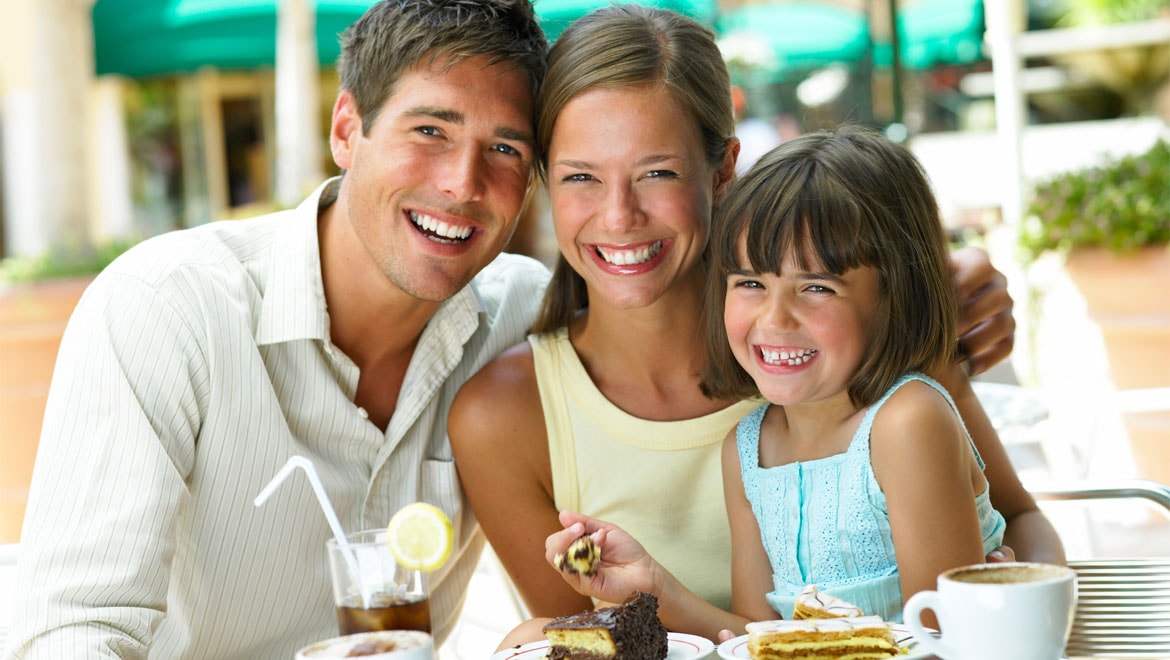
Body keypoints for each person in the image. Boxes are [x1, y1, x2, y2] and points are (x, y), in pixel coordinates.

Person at [447, 4, 1064, 648]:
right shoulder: (504, 417)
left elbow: (1016, 524)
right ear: (545, 182)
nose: (619, 216)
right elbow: (600, 644)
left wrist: (1010, 608)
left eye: (657, 172)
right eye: (580, 177)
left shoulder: (855, 345)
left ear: (722, 169)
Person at [5, 1, 548, 657]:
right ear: (347, 129)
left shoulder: (525, 316)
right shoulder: (167, 309)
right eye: (430, 130)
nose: (464, 184)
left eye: (504, 148)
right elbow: (76, 632)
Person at [546, 125, 1013, 638]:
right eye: (750, 283)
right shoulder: (747, 448)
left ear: (895, 296)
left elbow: (947, 638)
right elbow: (758, 638)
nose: (775, 319)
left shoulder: (907, 422)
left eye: (816, 286)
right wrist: (653, 587)